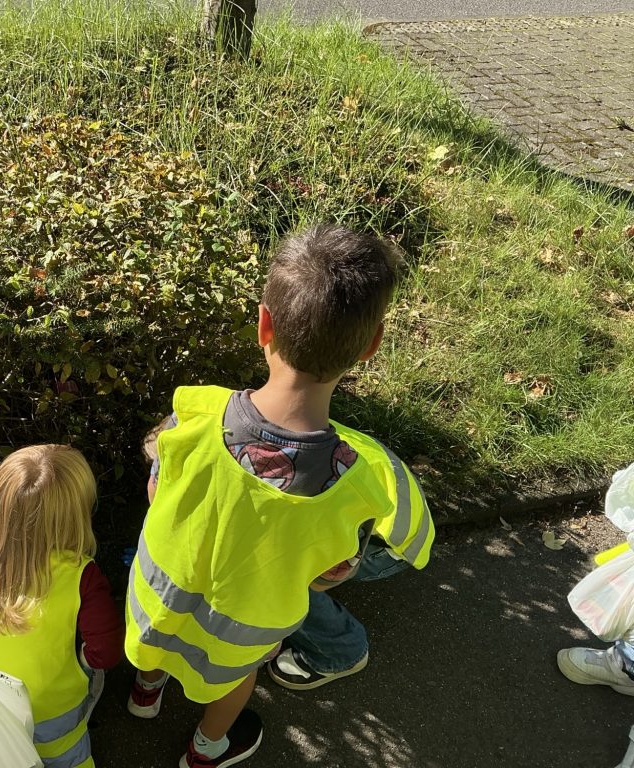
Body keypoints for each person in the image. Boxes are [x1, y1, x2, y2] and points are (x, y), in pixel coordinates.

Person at [126, 224, 434, 768]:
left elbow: (156, 491)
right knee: (233, 680)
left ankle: (145, 694)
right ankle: (205, 751)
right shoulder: (359, 483)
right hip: (239, 633)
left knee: (155, 648)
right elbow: (329, 576)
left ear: (264, 324)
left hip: (156, 603)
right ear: (371, 346)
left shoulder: (192, 414)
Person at [0, 444, 124, 768]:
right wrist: (81, 661)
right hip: (51, 714)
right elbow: (107, 652)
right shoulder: (83, 576)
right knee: (66, 756)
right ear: (76, 517)